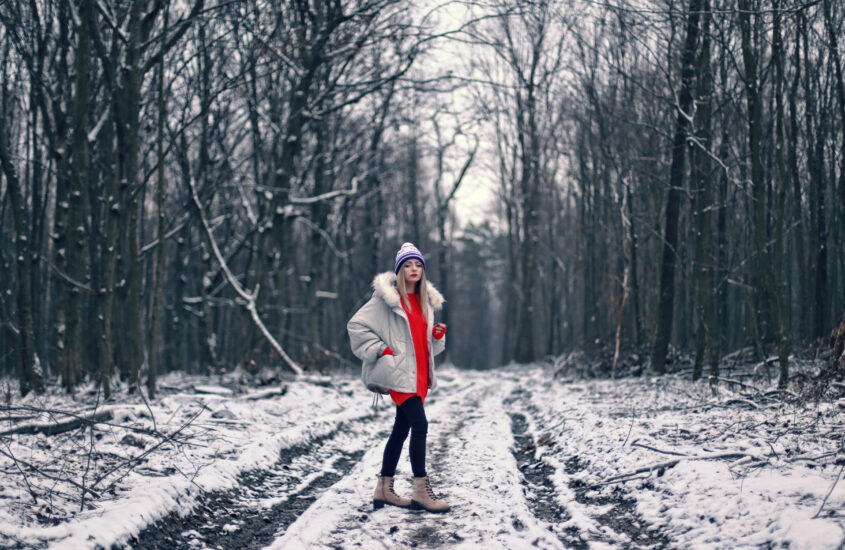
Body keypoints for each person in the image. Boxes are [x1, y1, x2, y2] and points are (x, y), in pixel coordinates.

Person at [347, 242, 450, 513]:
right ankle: (420, 490)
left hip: (418, 376)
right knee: (420, 425)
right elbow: (356, 325)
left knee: (401, 430)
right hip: (398, 374)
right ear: (399, 271)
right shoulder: (387, 300)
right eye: (407, 265)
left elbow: (422, 344)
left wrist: (437, 337)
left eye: (417, 265)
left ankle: (383, 488)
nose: (413, 269)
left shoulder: (425, 302)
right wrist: (381, 350)